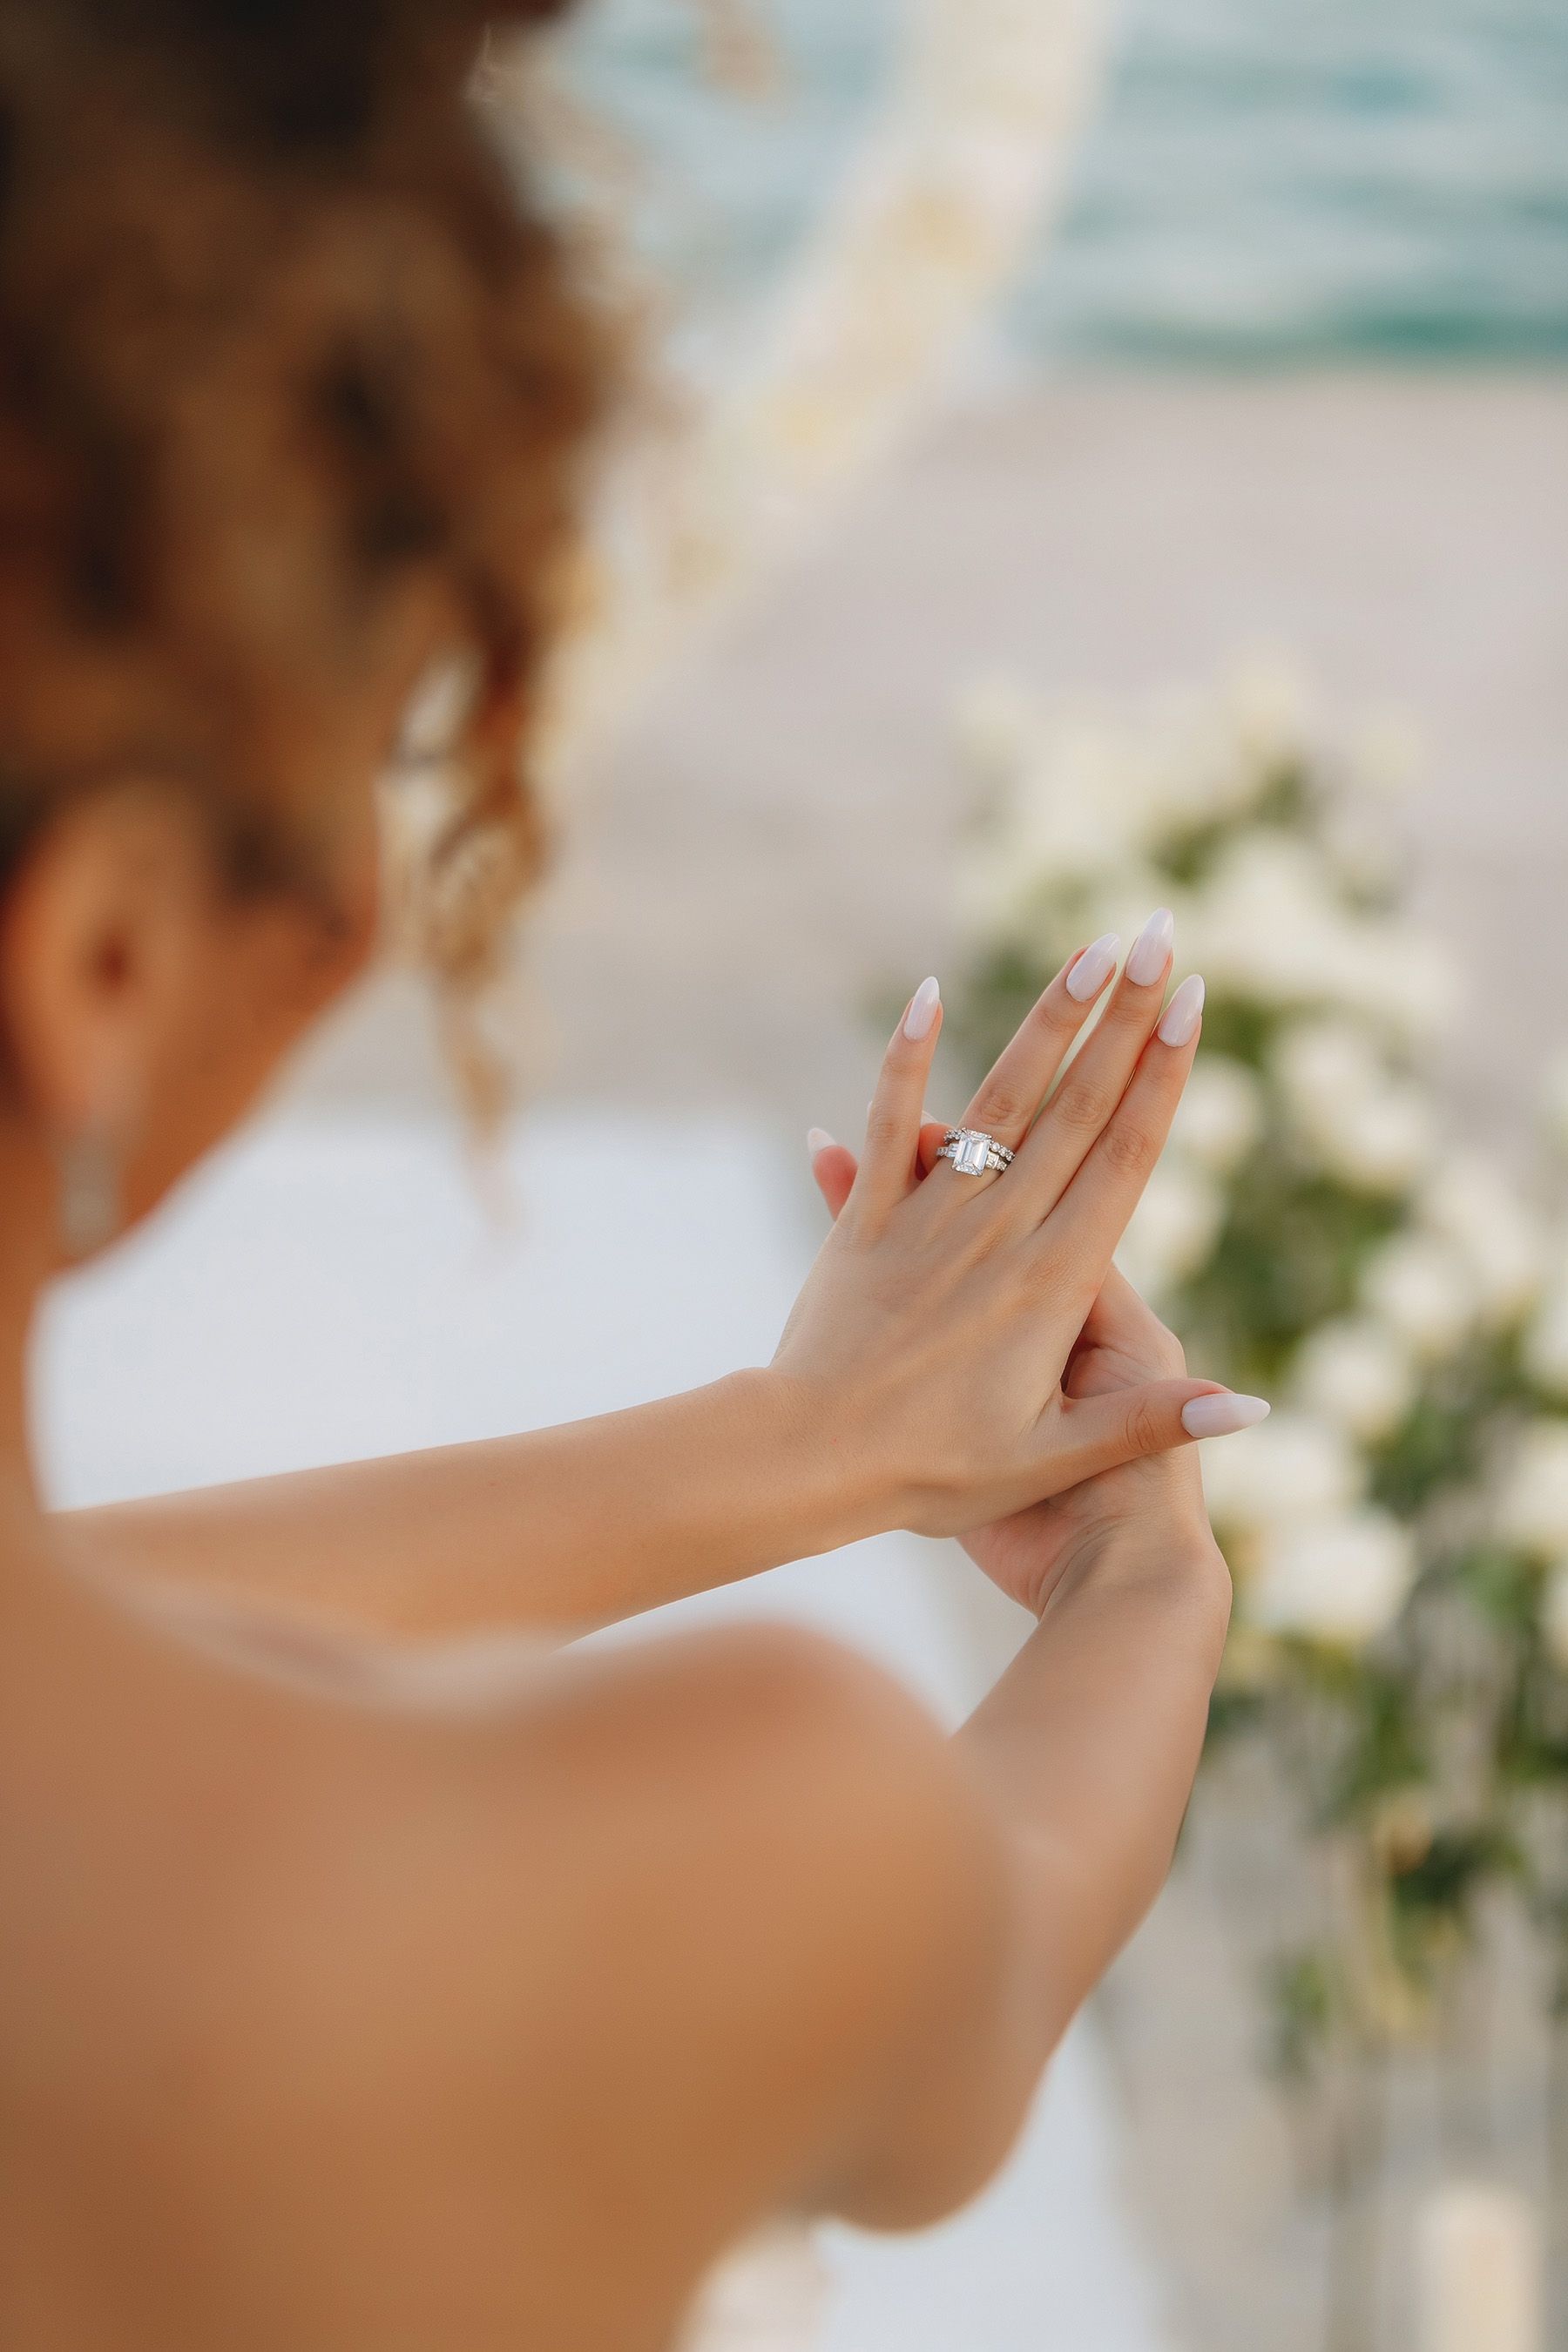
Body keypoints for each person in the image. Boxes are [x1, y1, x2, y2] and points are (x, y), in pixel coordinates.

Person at [0, 2, 1268, 2342]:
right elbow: (962, 1947)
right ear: (102, 952)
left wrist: (810, 1444)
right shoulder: (681, 1863)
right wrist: (1140, 1591)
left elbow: (85, 1618)